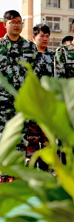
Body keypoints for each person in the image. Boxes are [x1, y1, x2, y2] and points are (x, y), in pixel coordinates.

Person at [0, 10, 40, 178]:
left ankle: (17, 176)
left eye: (19, 22)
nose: (16, 25)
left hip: (22, 103)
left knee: (22, 139)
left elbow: (35, 73)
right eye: (12, 22)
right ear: (4, 25)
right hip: (3, 102)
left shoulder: (30, 46)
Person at [27, 24, 54, 165]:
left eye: (47, 36)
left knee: (47, 142)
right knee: (31, 142)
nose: (45, 39)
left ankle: (46, 174)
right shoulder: (28, 57)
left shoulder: (54, 57)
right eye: (41, 35)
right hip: (32, 106)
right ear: (34, 37)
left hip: (48, 107)